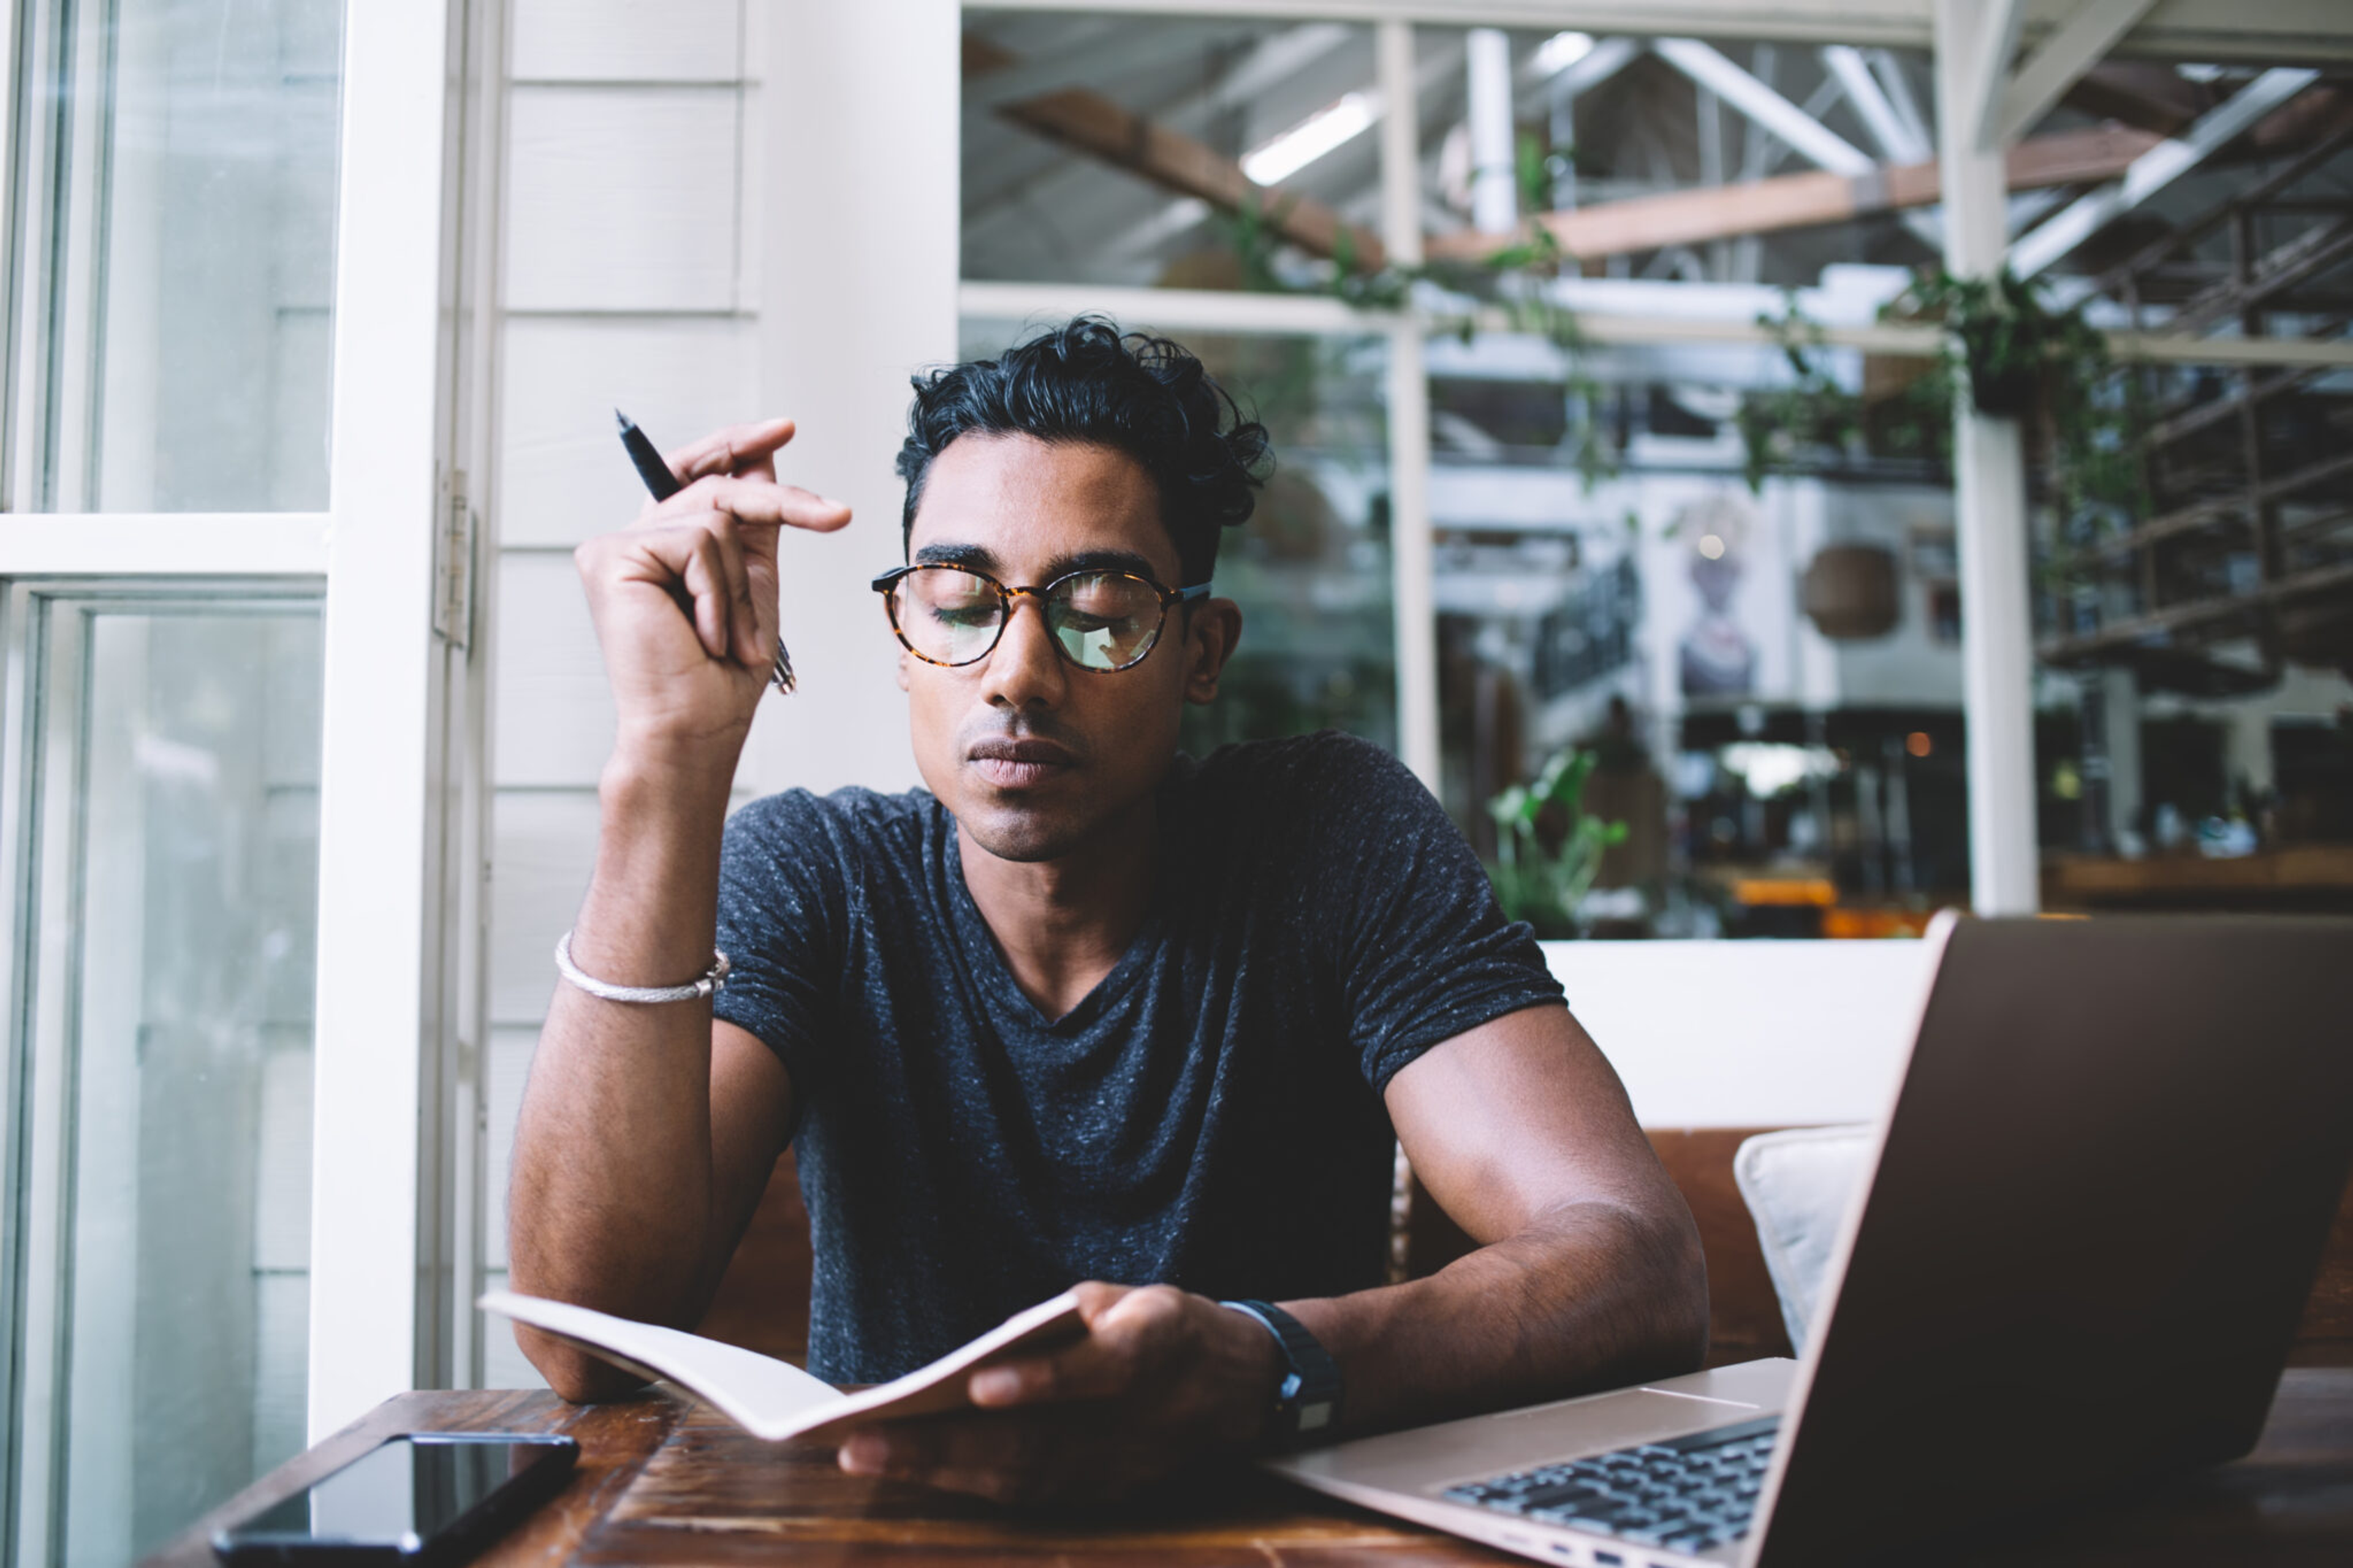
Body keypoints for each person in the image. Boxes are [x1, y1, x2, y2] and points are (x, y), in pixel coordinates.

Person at [508, 319, 1707, 1504]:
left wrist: (1265, 1361)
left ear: (1201, 648)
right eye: (960, 597)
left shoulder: (1330, 841)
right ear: (902, 635)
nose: (1019, 670)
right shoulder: (821, 878)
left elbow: (1639, 1263)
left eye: (1100, 605)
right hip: (899, 1544)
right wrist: (667, 756)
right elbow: (582, 1341)